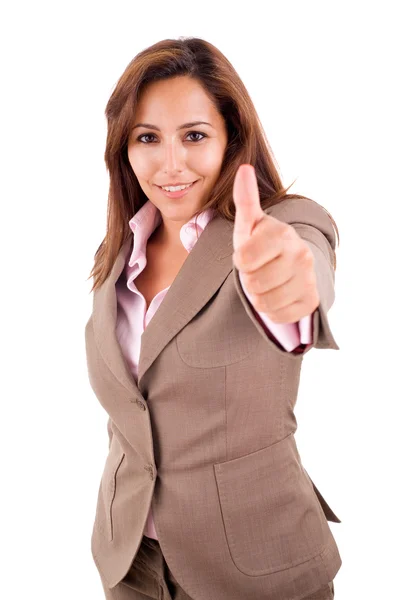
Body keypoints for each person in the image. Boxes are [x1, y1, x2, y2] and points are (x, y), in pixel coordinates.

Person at [85, 36, 341, 600]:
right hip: (132, 564)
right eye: (147, 138)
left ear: (232, 139)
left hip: (258, 567)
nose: (170, 163)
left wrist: (291, 291)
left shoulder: (284, 226)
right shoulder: (118, 254)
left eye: (195, 136)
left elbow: (304, 263)